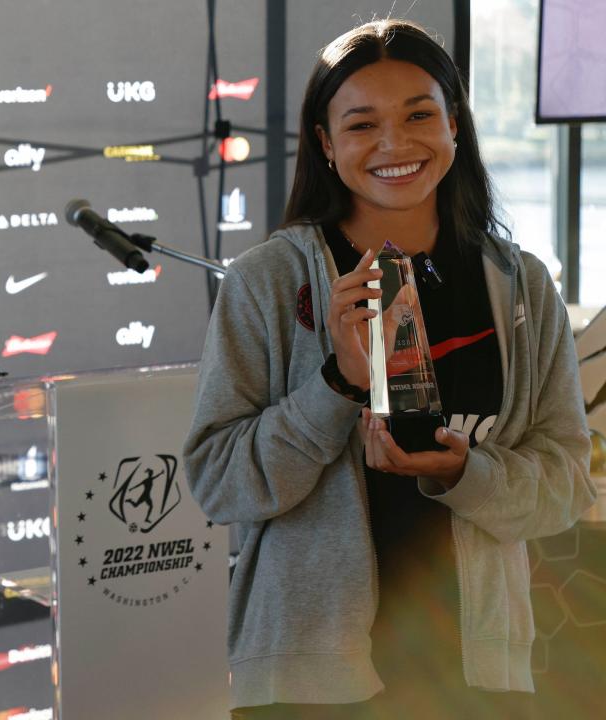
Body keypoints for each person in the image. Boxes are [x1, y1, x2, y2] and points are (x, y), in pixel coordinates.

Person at [183, 19, 596, 719]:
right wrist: (337, 384)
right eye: (362, 124)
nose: (394, 145)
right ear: (325, 143)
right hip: (312, 681)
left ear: (455, 126)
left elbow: (563, 487)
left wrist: (462, 475)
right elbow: (222, 485)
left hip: (476, 678)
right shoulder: (268, 284)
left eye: (418, 115)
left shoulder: (520, 286)